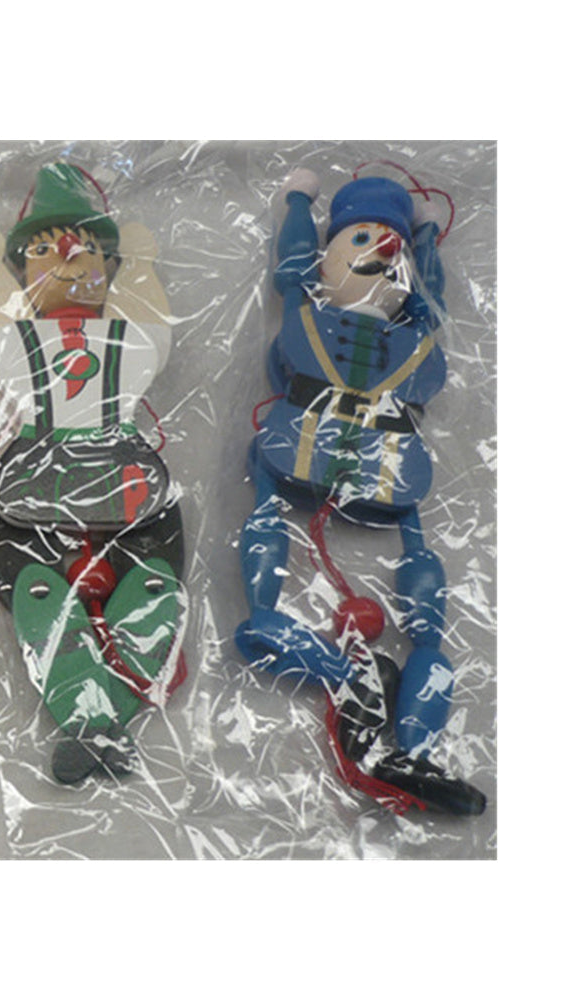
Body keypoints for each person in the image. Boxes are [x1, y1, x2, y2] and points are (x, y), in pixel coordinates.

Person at [236, 168, 485, 815]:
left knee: (421, 606)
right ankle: (346, 679)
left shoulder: (412, 335)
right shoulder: (306, 310)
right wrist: (298, 201)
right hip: (304, 447)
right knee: (269, 573)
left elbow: (430, 302)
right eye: (360, 238)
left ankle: (411, 749)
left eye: (393, 243)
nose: (382, 249)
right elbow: (292, 271)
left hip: (386, 463)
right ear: (323, 259)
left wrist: (424, 241)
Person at [0, 162, 187, 784]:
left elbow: (152, 328)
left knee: (154, 583)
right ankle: (96, 724)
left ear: (106, 268)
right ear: (23, 272)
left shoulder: (127, 340)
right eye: (43, 250)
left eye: (85, 249)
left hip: (127, 476)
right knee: (37, 590)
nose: (66, 256)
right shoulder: (15, 342)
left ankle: (96, 725)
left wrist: (141, 264)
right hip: (34, 478)